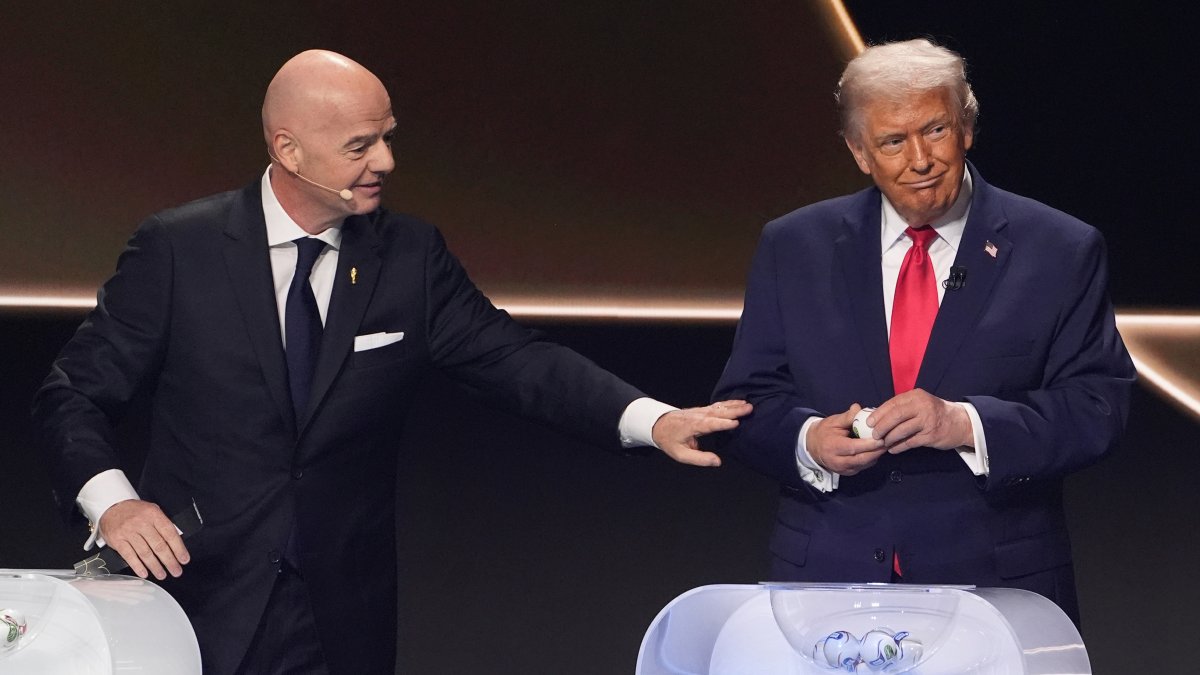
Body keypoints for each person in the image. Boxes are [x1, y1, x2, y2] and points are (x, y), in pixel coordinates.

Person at [32, 49, 751, 674]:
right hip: (197, 597)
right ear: (289, 151)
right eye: (359, 145)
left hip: (342, 618)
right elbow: (72, 394)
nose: (386, 162)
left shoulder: (408, 257)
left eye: (387, 137)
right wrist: (115, 502)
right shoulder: (178, 250)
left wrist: (651, 420)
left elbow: (514, 359)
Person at [712, 38, 1134, 624]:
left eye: (935, 130)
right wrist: (808, 441)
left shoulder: (1059, 248)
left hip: (996, 589)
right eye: (892, 141)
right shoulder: (794, 246)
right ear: (860, 152)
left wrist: (964, 423)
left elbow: (1097, 407)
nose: (920, 159)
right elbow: (745, 401)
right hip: (828, 587)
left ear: (966, 127)